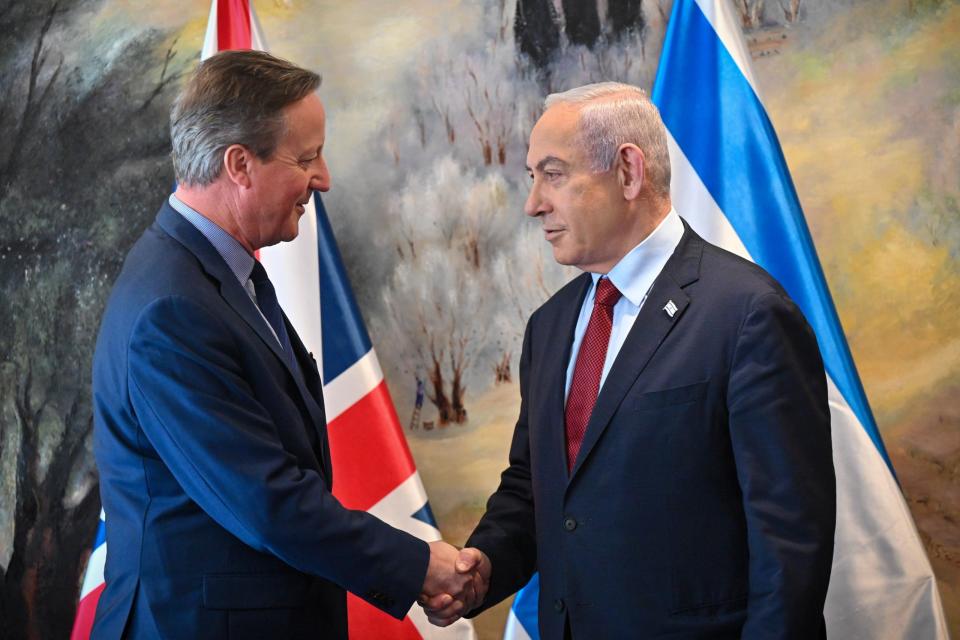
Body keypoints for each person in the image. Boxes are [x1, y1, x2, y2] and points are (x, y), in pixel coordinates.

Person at [422, 82, 836, 638]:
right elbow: (536, 489)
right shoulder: (548, 327)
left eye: (553, 174)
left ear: (627, 172)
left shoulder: (749, 315)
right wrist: (483, 569)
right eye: (531, 177)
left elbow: (790, 548)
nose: (533, 203)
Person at [91, 50, 475, 639]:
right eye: (307, 158)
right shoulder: (173, 309)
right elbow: (266, 501)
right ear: (240, 164)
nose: (322, 178)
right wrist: (418, 565)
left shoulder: (215, 274)